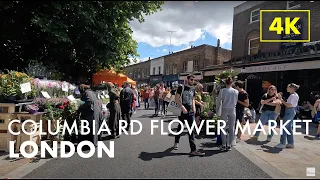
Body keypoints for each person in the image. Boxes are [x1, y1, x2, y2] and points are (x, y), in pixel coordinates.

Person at [173, 75, 205, 156]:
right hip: (182, 111)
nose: (192, 81)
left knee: (191, 130)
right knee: (180, 127)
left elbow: (193, 98)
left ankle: (193, 150)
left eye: (193, 80)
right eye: (191, 79)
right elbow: (176, 98)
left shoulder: (193, 88)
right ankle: (176, 142)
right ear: (187, 80)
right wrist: (182, 107)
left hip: (190, 111)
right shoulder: (181, 87)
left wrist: (194, 107)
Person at [216, 76, 238, 151]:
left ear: (225, 83)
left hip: (224, 109)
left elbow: (218, 101)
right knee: (231, 128)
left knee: (223, 128)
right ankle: (229, 144)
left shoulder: (222, 91)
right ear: (232, 83)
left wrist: (216, 110)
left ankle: (223, 144)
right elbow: (236, 101)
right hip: (233, 110)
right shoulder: (236, 91)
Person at [275, 83, 300, 149]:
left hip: (290, 111)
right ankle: (290, 143)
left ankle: (282, 143)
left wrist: (281, 99)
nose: (287, 88)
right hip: (290, 111)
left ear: (292, 88)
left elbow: (289, 105)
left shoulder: (293, 96)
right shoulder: (293, 95)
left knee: (284, 127)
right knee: (288, 128)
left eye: (288, 87)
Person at [78, 83, 103, 148]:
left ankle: (93, 143)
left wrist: (80, 107)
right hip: (96, 110)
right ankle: (95, 142)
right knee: (95, 126)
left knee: (93, 127)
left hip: (92, 112)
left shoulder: (87, 93)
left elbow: (88, 102)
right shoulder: (91, 92)